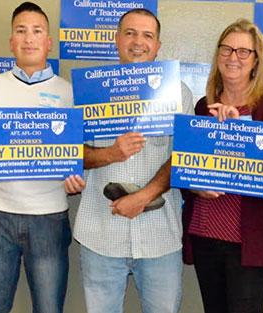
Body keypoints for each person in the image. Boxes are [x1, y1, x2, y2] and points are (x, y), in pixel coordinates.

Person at [0, 3, 85, 313]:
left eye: (37, 31)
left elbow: (82, 154)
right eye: (21, 31)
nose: (29, 39)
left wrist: (79, 176)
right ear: (11, 41)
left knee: (49, 308)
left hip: (50, 216)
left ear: (49, 41)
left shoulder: (71, 94)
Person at [73, 8, 194, 313]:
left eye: (147, 35)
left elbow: (183, 158)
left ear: (158, 45)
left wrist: (142, 197)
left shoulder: (178, 92)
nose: (138, 42)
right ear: (116, 39)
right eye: (130, 33)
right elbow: (71, 153)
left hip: (160, 238)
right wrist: (112, 154)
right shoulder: (91, 90)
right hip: (99, 233)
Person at [181, 19, 263, 313]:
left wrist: (238, 126)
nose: (233, 57)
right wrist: (193, 186)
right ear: (217, 56)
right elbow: (189, 168)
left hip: (249, 241)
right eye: (227, 49)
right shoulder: (203, 106)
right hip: (206, 233)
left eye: (244, 51)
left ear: (256, 60)